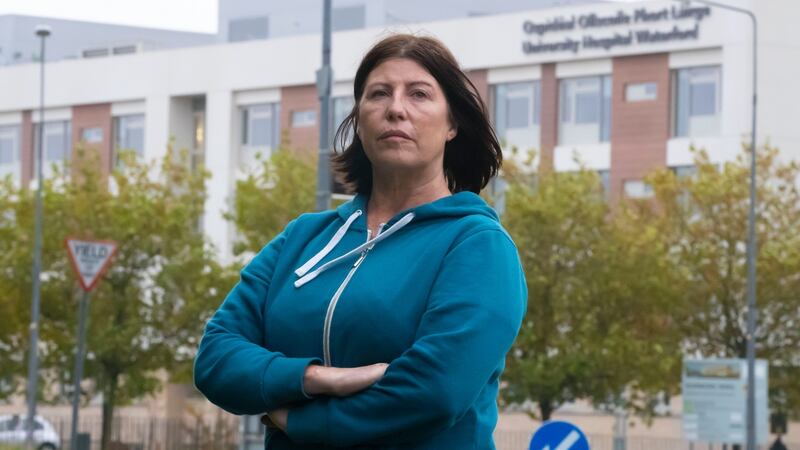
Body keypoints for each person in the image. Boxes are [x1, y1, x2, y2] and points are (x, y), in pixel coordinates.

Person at [193, 33, 527, 449]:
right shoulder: (303, 237)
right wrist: (314, 378)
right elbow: (216, 356)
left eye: (419, 94)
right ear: (359, 118)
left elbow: (434, 391)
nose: (396, 109)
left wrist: (296, 421)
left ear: (452, 124)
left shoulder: (478, 245)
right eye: (378, 94)